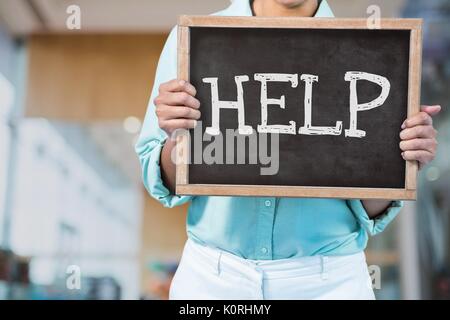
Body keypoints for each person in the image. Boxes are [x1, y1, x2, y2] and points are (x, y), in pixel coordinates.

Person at [136, 0, 440, 299]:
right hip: (212, 278)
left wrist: (399, 161)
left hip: (329, 282)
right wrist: (178, 139)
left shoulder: (367, 48)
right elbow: (165, 181)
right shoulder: (192, 39)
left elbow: (368, 206)